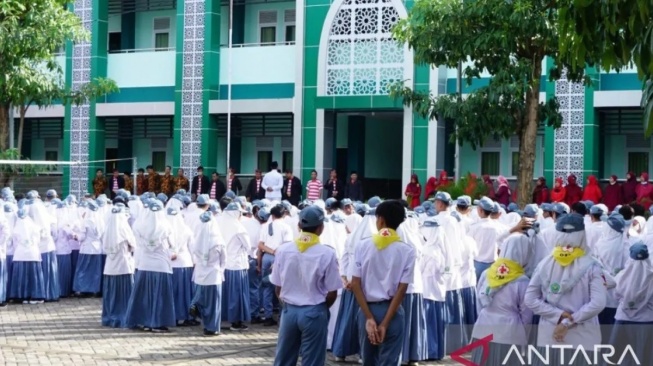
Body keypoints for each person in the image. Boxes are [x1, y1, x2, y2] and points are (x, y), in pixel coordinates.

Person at [524, 214, 607, 364]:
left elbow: (530, 299)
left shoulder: (545, 264)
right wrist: (567, 323)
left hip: (550, 335)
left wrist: (558, 315)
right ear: (582, 235)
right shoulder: (592, 266)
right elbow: (598, 303)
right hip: (583, 337)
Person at [270, 205, 342, 366]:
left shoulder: (283, 250)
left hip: (289, 311)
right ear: (321, 228)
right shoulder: (327, 253)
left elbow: (277, 288)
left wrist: (288, 304)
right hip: (314, 310)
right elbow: (332, 292)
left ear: (299, 226)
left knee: (284, 359)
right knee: (312, 360)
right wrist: (320, 309)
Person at [350, 200, 416, 366]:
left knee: (368, 360)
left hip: (367, 309)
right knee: (390, 361)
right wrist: (385, 323)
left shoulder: (362, 245)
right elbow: (402, 290)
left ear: (381, 220)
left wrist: (369, 318)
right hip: (392, 312)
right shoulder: (407, 250)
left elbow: (355, 284)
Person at [471, 234, 533, 365]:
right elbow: (526, 315)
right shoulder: (522, 281)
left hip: (483, 327)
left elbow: (479, 302)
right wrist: (523, 335)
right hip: (509, 332)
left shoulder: (487, 273)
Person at [125, 200, 176, 332]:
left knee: (145, 296)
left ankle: (146, 322)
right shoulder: (166, 226)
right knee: (159, 296)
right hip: (161, 265)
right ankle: (158, 323)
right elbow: (173, 245)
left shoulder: (138, 225)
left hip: (144, 264)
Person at [609, 242, 653, 365]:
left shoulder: (622, 276)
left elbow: (616, 296)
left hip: (623, 320)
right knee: (642, 356)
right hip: (647, 322)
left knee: (616, 356)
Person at [189, 211, 227, 336]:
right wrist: (221, 271)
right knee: (214, 304)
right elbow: (224, 260)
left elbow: (194, 256)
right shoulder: (219, 241)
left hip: (200, 275)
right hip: (214, 275)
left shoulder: (197, 240)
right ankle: (213, 328)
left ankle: (202, 319)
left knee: (204, 301)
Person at [218, 202, 251, 331]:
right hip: (237, 265)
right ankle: (236, 322)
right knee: (237, 294)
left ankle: (224, 319)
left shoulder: (220, 224)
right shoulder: (239, 228)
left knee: (225, 294)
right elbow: (248, 246)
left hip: (224, 264)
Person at [258, 204, 293, 326]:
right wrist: (277, 254)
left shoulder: (265, 226)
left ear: (272, 215)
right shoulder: (286, 227)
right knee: (282, 287)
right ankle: (282, 316)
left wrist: (271, 251)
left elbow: (260, 245)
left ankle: (268, 316)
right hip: (281, 257)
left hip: (267, 257)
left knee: (267, 287)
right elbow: (287, 246)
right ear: (284, 214)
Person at [102, 204, 136, 328]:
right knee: (124, 296)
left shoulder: (107, 229)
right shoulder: (125, 228)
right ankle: (124, 317)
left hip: (110, 268)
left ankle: (110, 317)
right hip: (124, 267)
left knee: (112, 295)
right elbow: (133, 245)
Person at [167, 206, 196, 326]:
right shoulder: (187, 230)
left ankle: (172, 316)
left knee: (172, 292)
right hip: (185, 263)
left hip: (170, 264)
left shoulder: (166, 229)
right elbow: (192, 248)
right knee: (185, 292)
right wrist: (195, 262)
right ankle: (187, 316)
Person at [8, 209, 45, 304]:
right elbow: (38, 240)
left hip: (20, 253)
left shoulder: (16, 227)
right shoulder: (34, 226)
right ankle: (36, 296)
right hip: (33, 252)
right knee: (34, 275)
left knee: (22, 275)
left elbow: (14, 242)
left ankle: (23, 296)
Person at [73, 201, 104, 297]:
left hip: (86, 248)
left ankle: (83, 289)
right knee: (95, 271)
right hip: (97, 248)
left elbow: (82, 236)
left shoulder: (87, 221)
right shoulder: (100, 221)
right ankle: (94, 289)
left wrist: (75, 236)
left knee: (83, 269)